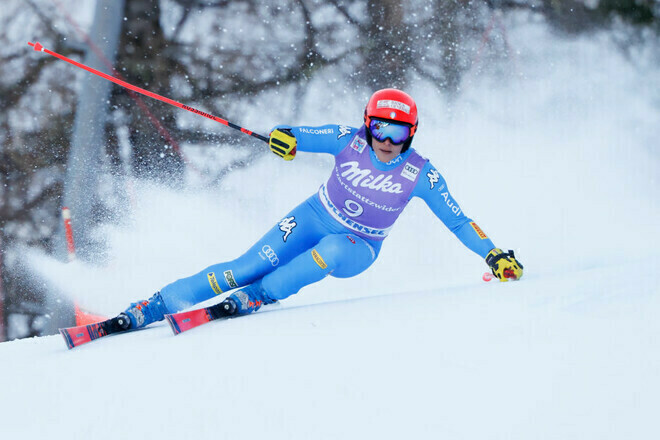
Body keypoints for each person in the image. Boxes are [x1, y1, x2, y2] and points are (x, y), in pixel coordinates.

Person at [114, 88, 524, 330]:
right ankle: (152, 306)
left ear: (411, 135)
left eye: (398, 132)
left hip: (357, 245)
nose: (387, 140)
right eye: (379, 127)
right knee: (240, 268)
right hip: (311, 216)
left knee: (327, 252)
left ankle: (260, 296)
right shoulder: (349, 140)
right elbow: (298, 134)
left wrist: (493, 254)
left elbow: (457, 219)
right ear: (367, 124)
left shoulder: (420, 173)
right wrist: (284, 140)